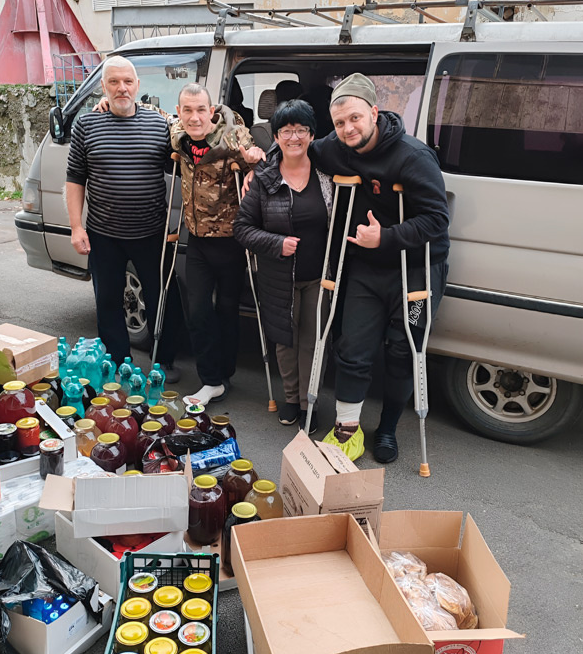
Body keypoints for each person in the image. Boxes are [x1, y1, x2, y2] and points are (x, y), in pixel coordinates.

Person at [312, 73, 450, 462]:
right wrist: (265, 162)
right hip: (367, 268)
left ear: (374, 112)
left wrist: (385, 237)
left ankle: (387, 428)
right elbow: (302, 148)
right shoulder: (336, 147)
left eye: (355, 118)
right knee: (353, 348)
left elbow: (437, 219)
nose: (347, 128)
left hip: (417, 267)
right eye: (339, 123)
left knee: (403, 350)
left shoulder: (413, 156)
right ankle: (347, 429)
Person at [65, 55, 180, 379]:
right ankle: (119, 362)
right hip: (104, 233)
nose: (121, 88)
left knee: (163, 299)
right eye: (113, 82)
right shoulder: (86, 124)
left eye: (127, 81)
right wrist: (76, 227)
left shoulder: (159, 124)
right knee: (107, 301)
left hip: (152, 231)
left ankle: (165, 360)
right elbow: (75, 178)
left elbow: (186, 153)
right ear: (103, 86)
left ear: (137, 86)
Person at [234, 100, 333, 434]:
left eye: (301, 130)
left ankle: (310, 403)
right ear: (276, 136)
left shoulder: (326, 174)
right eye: (287, 130)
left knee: (312, 341)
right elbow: (242, 228)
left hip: (319, 276)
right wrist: (276, 244)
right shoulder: (264, 179)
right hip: (279, 277)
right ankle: (291, 399)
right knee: (285, 342)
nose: (294, 137)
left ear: (311, 134)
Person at [171, 83, 265, 406]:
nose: (194, 117)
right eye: (187, 110)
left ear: (211, 111)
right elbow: (150, 115)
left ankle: (225, 373)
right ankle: (210, 380)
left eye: (201, 110)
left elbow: (255, 157)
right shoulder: (178, 135)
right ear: (180, 112)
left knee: (227, 310)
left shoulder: (233, 136)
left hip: (230, 241)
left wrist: (252, 160)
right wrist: (103, 103)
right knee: (197, 310)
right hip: (196, 241)